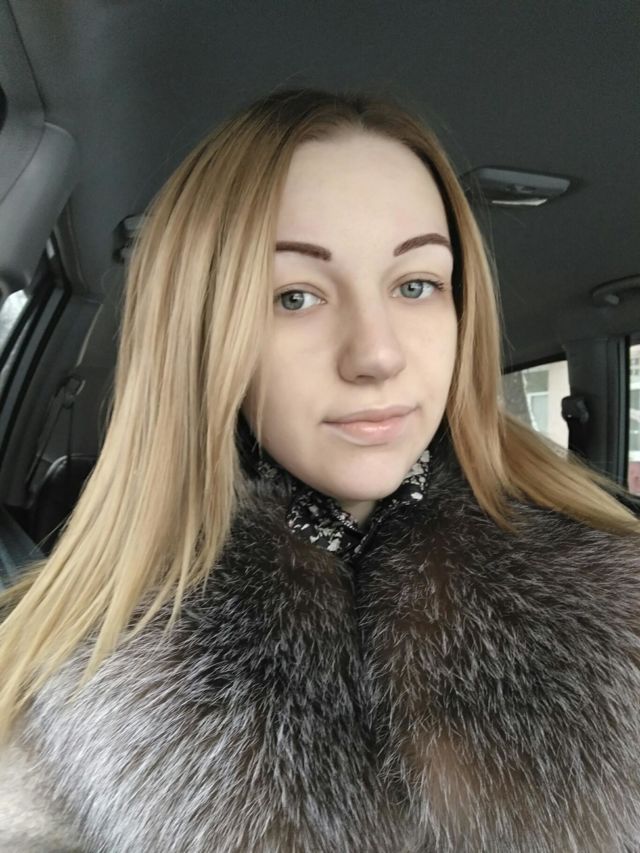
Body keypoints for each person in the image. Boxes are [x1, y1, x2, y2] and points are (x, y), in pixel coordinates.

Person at [0, 87, 639, 852]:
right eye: (295, 296)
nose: (377, 354)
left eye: (416, 285)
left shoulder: (618, 603)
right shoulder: (61, 697)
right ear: (202, 334)